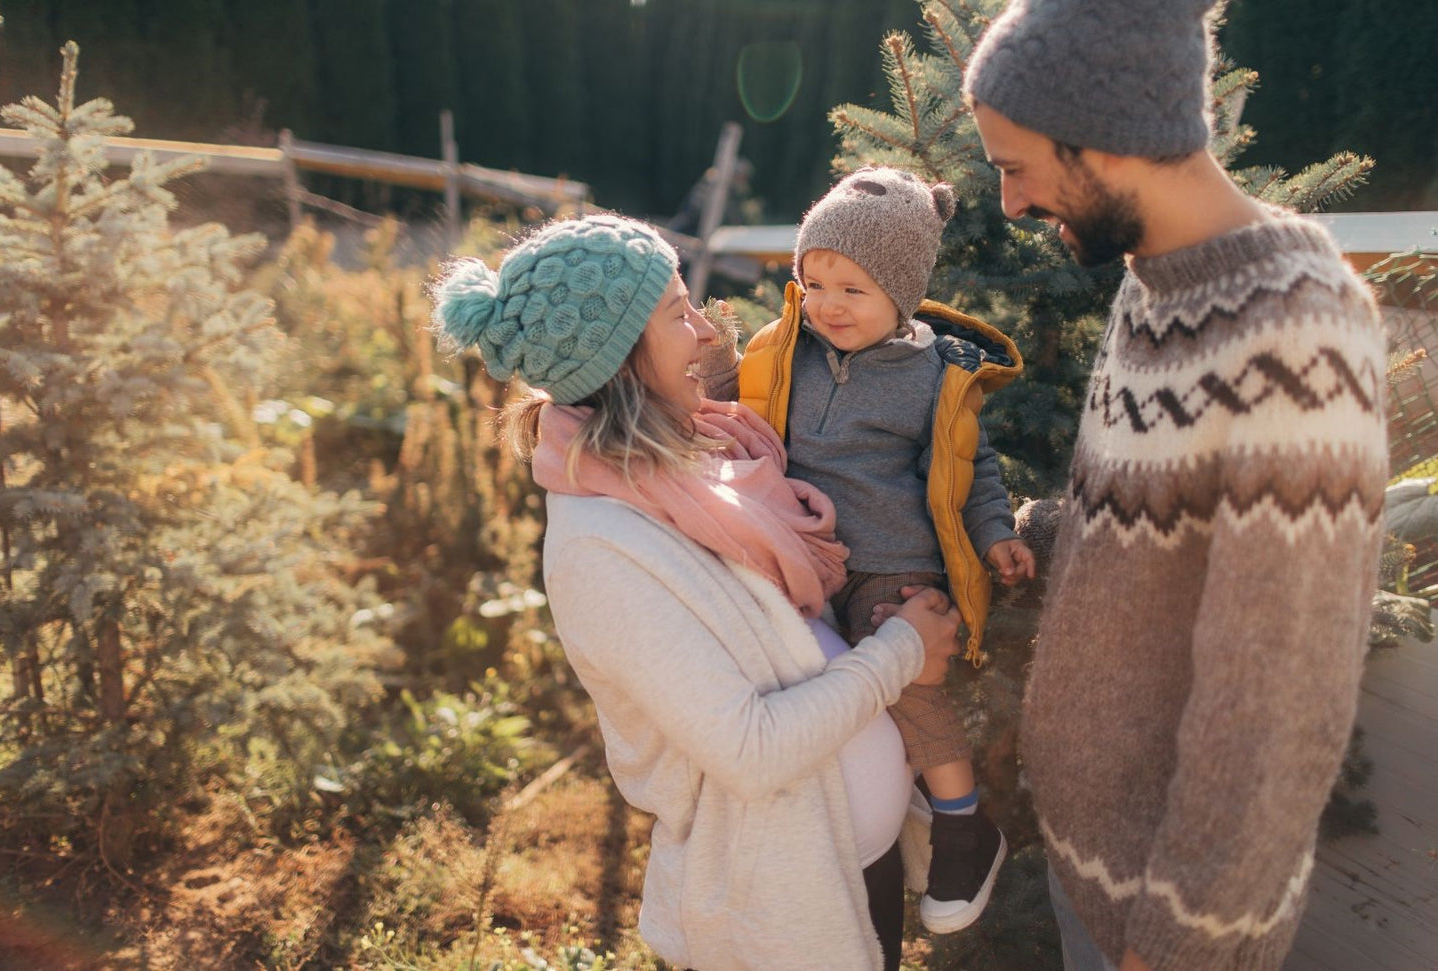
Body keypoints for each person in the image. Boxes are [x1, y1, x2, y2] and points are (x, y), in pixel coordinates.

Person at [962, 2, 1389, 969]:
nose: (1011, 205)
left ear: (1105, 144)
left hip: (1165, 925)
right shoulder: (1151, 283)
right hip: (1095, 873)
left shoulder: (1298, 328)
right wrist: (1006, 528)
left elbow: (1281, 689)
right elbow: (1146, 526)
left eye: (1014, 165)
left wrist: (1182, 939)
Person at [431, 213, 961, 970]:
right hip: (777, 901)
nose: (705, 334)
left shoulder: (690, 468)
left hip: (841, 860)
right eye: (677, 312)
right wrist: (899, 651)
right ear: (615, 356)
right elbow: (749, 749)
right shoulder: (601, 550)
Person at [701, 165, 1036, 935]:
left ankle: (962, 826)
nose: (826, 305)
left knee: (910, 682)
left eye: (851, 289)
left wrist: (994, 535)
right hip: (803, 560)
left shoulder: (931, 377)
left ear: (902, 293)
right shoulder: (787, 350)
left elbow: (970, 469)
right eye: (813, 282)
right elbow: (738, 408)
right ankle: (883, 811)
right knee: (827, 699)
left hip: (894, 567)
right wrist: (715, 367)